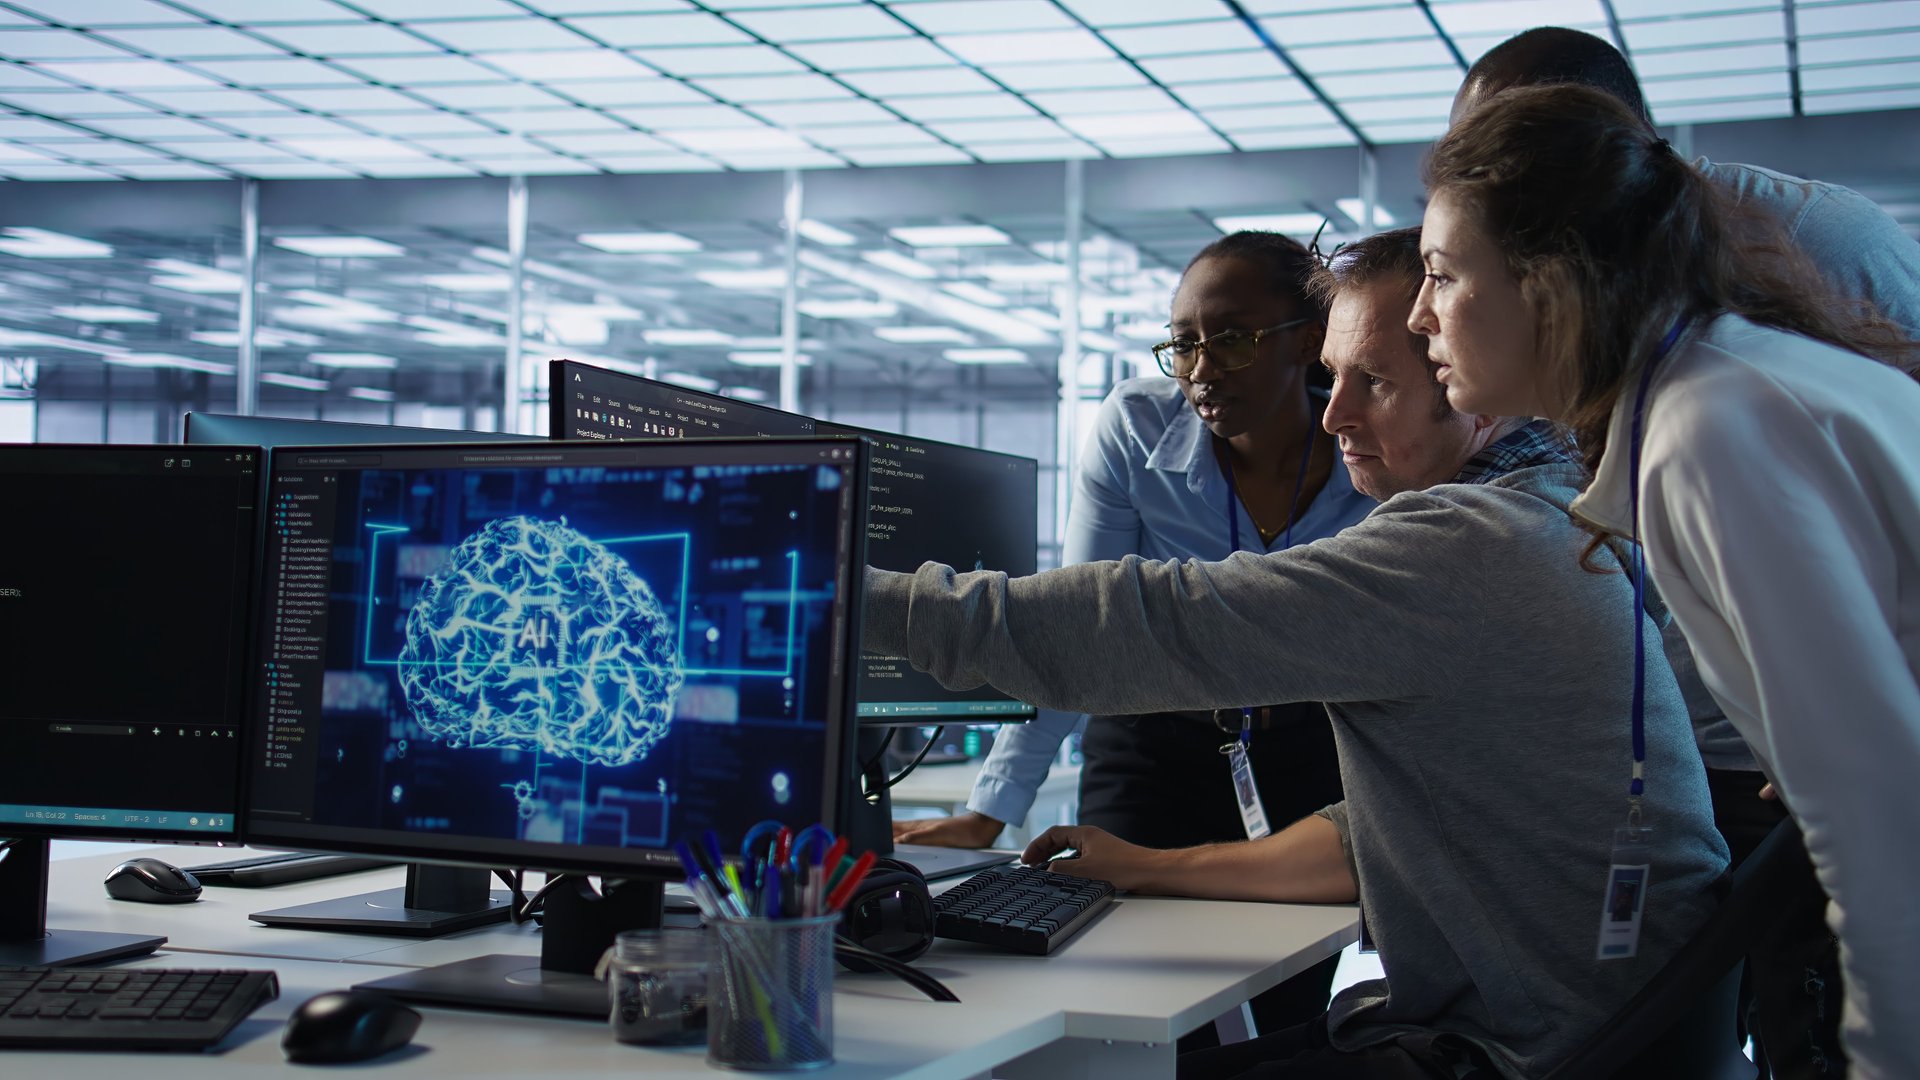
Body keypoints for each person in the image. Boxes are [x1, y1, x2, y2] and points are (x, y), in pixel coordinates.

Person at [864, 227, 1730, 1080]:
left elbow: (1158, 623)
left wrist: (846, 597)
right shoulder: (1556, 514)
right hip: (1617, 1033)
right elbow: (1390, 832)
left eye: (1375, 382)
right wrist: (1144, 866)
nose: (1333, 412)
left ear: (1474, 383)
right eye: (1334, 375)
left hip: (1533, 1054)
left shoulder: (1465, 545)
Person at [1414, 83, 1920, 1080]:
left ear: (1547, 283)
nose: (1420, 313)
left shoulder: (1708, 432)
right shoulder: (1727, 383)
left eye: (1440, 274)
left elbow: (1882, 822)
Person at [896, 232, 1376, 1039]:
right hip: (1153, 743)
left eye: (1231, 338)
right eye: (1182, 343)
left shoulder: (1371, 446)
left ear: (1305, 339)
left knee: (1286, 1007)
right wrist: (992, 809)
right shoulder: (1136, 431)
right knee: (1126, 996)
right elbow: (1075, 630)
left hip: (1303, 749)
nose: (1199, 369)